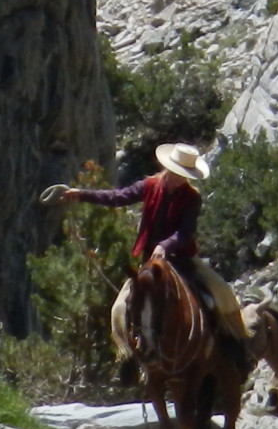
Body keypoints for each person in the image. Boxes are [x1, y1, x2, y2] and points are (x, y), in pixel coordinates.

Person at [60, 142, 249, 373]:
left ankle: (238, 345)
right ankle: (127, 358)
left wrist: (165, 245)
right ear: (167, 168)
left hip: (181, 260)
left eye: (185, 175)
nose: (180, 178)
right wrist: (81, 194)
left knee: (222, 292)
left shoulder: (192, 198)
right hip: (150, 263)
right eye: (177, 173)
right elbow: (118, 197)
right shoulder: (149, 185)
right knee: (119, 308)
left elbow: (185, 232)